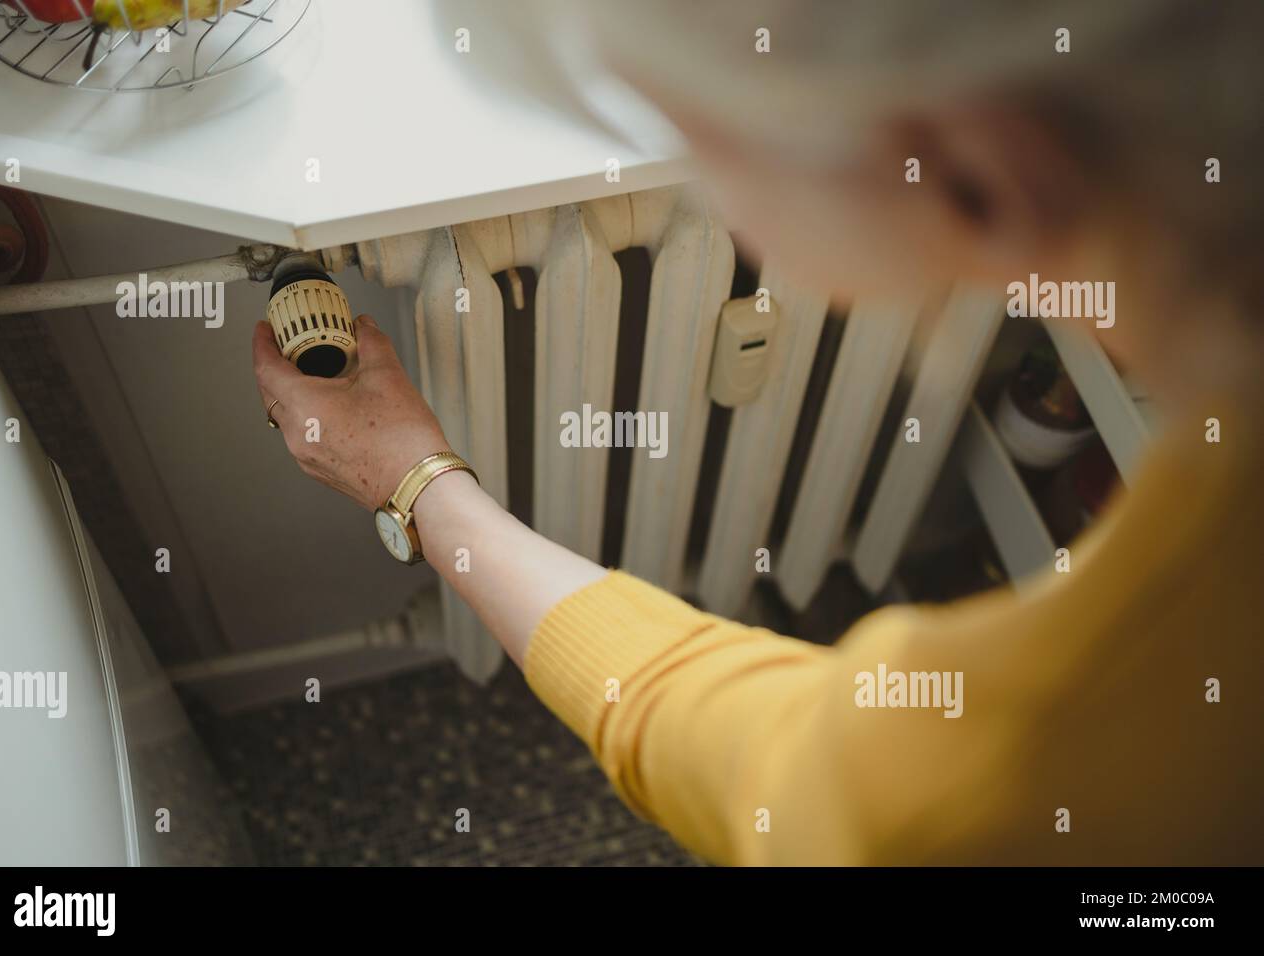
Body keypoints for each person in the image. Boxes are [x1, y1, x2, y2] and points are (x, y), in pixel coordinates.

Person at [252, 1, 1263, 865]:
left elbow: (749, 757)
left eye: (689, 130)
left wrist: (414, 481)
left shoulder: (1033, 758)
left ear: (975, 167)